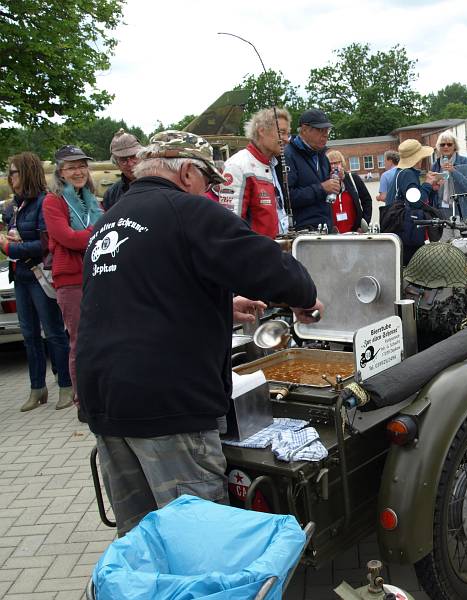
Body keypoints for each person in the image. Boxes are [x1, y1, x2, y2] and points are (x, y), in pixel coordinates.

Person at [75, 131, 322, 535]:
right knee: (198, 539)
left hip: (104, 399)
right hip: (166, 404)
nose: (208, 191)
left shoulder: (109, 221)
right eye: (207, 181)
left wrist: (220, 306)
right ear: (188, 171)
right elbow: (270, 267)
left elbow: (138, 296)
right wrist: (305, 298)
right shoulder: (186, 210)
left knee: (141, 538)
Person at [1, 152, 72, 411]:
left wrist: (9, 247)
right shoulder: (14, 206)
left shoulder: (44, 202)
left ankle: (66, 385)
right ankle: (37, 387)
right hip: (20, 276)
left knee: (53, 332)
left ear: (26, 173)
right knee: (29, 335)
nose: (10, 177)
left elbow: (44, 244)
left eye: (13, 172)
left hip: (40, 275)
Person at [42, 145, 104, 413]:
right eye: (71, 167)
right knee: (80, 339)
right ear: (60, 172)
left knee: (103, 335)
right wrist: (97, 233)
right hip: (71, 279)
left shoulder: (92, 199)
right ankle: (82, 399)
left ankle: (104, 390)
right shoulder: (52, 201)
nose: (79, 171)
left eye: (82, 166)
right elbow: (68, 238)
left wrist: (91, 234)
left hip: (97, 274)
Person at [218, 108, 291, 238]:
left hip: (274, 247)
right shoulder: (238, 166)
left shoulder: (272, 163)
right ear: (261, 131)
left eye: (288, 134)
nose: (287, 139)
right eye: (281, 132)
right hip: (256, 249)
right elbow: (230, 227)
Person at [381, 139, 439, 265]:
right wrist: (428, 184)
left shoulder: (401, 172)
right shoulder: (408, 173)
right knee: (414, 267)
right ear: (418, 159)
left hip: (399, 228)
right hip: (406, 232)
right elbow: (415, 202)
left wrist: (431, 189)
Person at [283, 109, 339, 231]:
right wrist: (322, 188)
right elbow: (287, 198)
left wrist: (337, 184)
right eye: (320, 130)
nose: (325, 134)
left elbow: (328, 192)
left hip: (325, 228)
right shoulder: (288, 155)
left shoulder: (322, 156)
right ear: (304, 129)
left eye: (327, 130)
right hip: (303, 232)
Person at [430, 132, 467, 220]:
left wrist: (453, 171)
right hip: (441, 210)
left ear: (455, 146)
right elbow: (432, 191)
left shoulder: (464, 162)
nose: (446, 147)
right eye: (442, 144)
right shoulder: (436, 165)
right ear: (439, 147)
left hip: (461, 209)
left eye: (449, 144)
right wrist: (433, 185)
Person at [326, 150, 372, 232]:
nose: (333, 166)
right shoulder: (325, 182)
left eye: (336, 163)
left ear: (342, 163)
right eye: (330, 164)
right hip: (332, 233)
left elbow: (367, 201)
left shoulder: (353, 179)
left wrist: (363, 224)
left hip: (355, 231)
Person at [102, 129, 143, 211]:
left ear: (143, 156)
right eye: (123, 160)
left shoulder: (161, 185)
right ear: (116, 163)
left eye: (133, 157)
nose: (130, 164)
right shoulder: (111, 194)